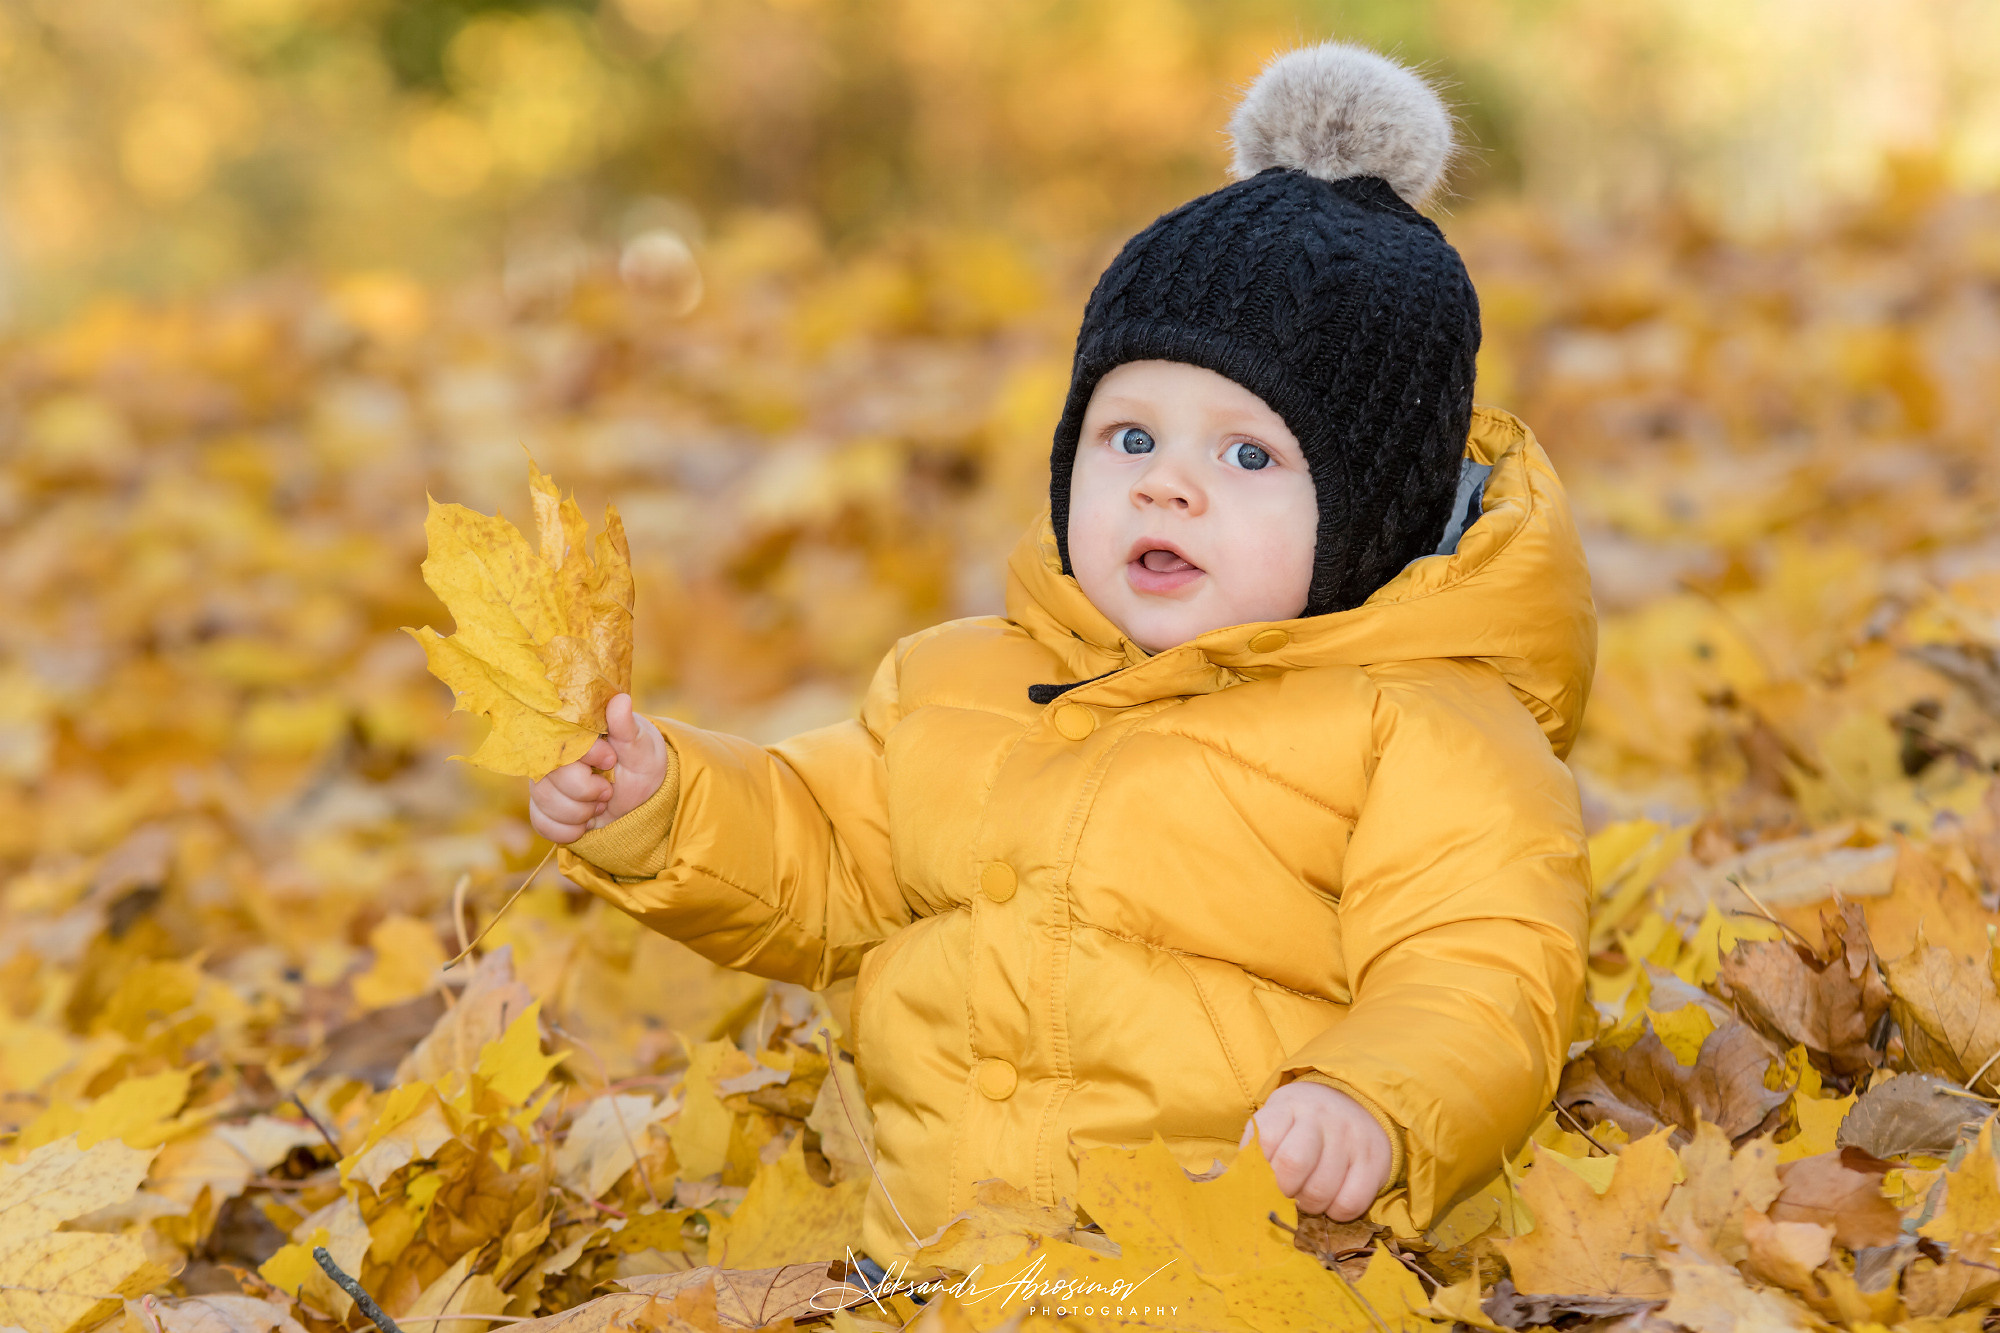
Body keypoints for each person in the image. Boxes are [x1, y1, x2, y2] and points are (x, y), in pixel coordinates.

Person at [529, 40, 1595, 1266]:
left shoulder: (1424, 730)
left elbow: (1479, 966)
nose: (1166, 487)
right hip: (933, 1266)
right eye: (1128, 437)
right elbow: (822, 856)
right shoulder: (957, 681)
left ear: (1370, 516)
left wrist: (1372, 1098)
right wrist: (663, 804)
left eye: (1247, 455)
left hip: (1231, 1268)